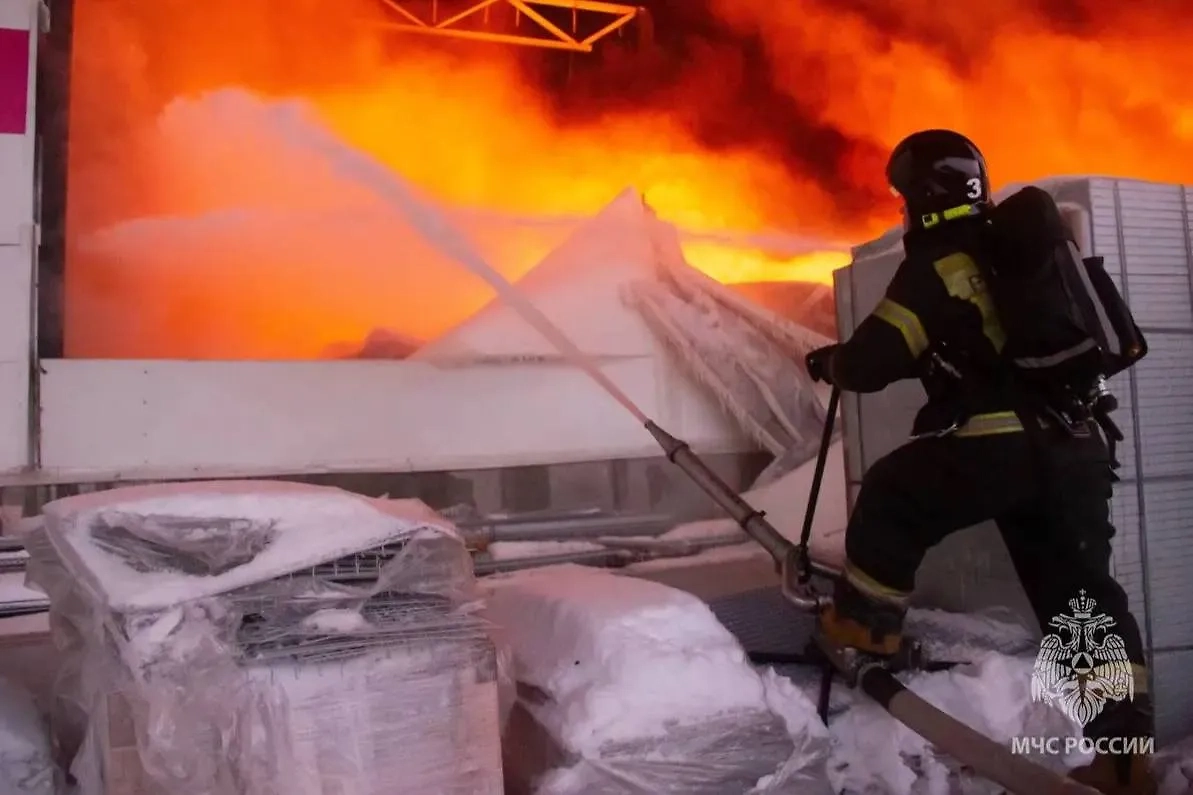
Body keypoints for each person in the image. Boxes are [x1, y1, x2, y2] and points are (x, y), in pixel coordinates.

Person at [804, 129, 1156, 795]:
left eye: (903, 199)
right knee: (1083, 605)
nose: (901, 213)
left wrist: (832, 362)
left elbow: (878, 356)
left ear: (923, 198)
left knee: (891, 492)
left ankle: (863, 626)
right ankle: (1123, 764)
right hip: (1077, 448)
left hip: (1003, 442)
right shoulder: (1019, 255)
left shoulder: (940, 260)